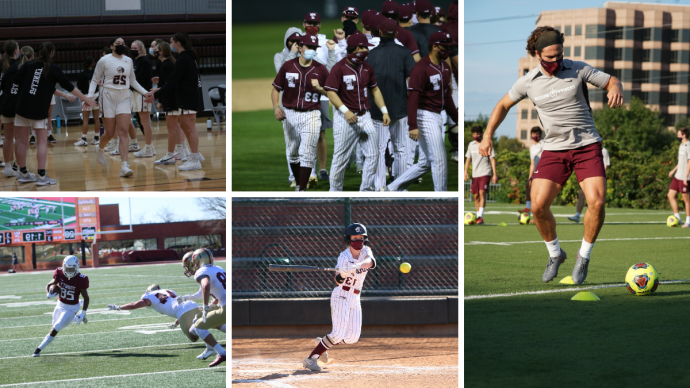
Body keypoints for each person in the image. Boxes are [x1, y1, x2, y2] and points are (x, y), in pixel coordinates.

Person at [478, 26, 623, 284]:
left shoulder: (578, 68)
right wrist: (488, 135)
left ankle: (584, 256)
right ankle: (555, 254)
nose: (556, 62)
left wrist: (615, 87)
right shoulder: (528, 82)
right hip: (554, 150)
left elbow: (611, 79)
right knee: (538, 206)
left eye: (559, 55)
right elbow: (502, 105)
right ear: (537, 54)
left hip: (587, 146)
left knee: (597, 202)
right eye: (550, 58)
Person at [384, 31, 458, 192]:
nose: (448, 50)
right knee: (439, 159)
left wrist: (456, 117)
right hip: (424, 115)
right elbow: (412, 98)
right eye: (444, 47)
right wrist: (413, 125)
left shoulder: (445, 67)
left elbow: (447, 96)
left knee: (425, 162)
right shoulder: (421, 68)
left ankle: (391, 188)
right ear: (435, 46)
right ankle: (442, 196)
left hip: (438, 115)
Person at [13, 42, 96, 185]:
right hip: (39, 108)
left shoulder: (28, 64)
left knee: (21, 141)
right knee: (42, 142)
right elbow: (69, 87)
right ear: (52, 53)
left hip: (22, 106)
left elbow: (16, 81)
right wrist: (86, 98)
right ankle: (41, 176)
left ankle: (22, 173)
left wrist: (31, 88)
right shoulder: (53, 67)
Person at [302, 223, 376, 372]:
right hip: (341, 295)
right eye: (354, 238)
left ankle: (323, 343)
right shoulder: (344, 256)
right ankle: (311, 359)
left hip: (355, 297)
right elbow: (337, 280)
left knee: (353, 337)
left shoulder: (366, 251)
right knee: (337, 334)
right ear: (348, 239)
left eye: (361, 238)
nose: (358, 240)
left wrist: (357, 265)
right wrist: (343, 273)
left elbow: (371, 262)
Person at [324, 33, 390, 191]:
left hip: (364, 116)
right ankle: (335, 194)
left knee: (373, 155)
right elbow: (331, 93)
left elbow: (375, 89)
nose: (367, 50)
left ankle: (365, 190)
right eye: (364, 47)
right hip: (345, 119)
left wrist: (384, 111)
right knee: (340, 160)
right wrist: (345, 111)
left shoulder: (367, 67)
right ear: (357, 48)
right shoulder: (339, 68)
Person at [107, 284, 225, 367]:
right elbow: (175, 305)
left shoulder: (149, 296)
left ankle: (211, 348)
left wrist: (118, 307)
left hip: (182, 311)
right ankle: (218, 341)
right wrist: (176, 323)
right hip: (191, 305)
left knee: (193, 336)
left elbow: (134, 305)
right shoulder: (169, 291)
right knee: (209, 322)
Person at [271, 34, 329, 191]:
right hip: (289, 113)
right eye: (309, 47)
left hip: (311, 114)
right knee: (293, 152)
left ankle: (302, 189)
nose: (312, 51)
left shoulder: (321, 69)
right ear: (301, 47)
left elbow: (332, 93)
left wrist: (320, 89)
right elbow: (276, 88)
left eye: (315, 48)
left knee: (307, 151)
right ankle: (298, 184)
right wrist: (276, 107)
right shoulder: (288, 66)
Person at [366, 18, 415, 191]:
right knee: (401, 149)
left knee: (378, 150)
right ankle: (399, 188)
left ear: (379, 33)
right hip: (400, 108)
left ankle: (380, 186)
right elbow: (412, 81)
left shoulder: (371, 54)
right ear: (395, 33)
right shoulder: (404, 52)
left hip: (377, 110)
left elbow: (366, 84)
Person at [89, 37, 149, 177]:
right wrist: (90, 97)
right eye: (118, 43)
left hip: (124, 96)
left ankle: (124, 166)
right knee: (110, 133)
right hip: (108, 96)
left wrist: (145, 93)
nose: (121, 45)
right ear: (112, 46)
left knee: (123, 131)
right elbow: (94, 80)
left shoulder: (128, 60)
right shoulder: (104, 60)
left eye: (123, 43)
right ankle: (100, 148)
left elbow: (132, 80)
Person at [146, 32, 205, 171]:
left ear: (178, 43)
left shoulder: (183, 58)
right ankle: (194, 156)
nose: (170, 45)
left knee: (189, 128)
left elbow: (173, 81)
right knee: (185, 127)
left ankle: (195, 158)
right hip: (188, 96)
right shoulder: (188, 57)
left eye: (172, 42)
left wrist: (157, 94)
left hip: (188, 97)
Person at [34, 256, 89, 356]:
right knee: (55, 324)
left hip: (72, 308)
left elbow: (86, 298)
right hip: (60, 304)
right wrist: (48, 294)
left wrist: (83, 312)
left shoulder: (81, 279)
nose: (68, 271)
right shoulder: (59, 273)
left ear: (76, 268)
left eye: (71, 269)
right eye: (66, 268)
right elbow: (49, 285)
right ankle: (76, 318)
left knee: (55, 329)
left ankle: (38, 349)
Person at [181, 248, 227, 367]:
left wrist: (206, 307)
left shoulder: (202, 271)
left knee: (198, 326)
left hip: (227, 307)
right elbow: (218, 292)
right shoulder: (218, 268)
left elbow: (205, 285)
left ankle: (222, 353)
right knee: (203, 320)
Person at [152, 42, 190, 165]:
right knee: (176, 127)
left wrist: (158, 92)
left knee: (171, 129)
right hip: (173, 99)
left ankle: (170, 154)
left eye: (156, 49)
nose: (153, 50)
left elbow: (170, 85)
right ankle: (181, 151)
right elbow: (169, 82)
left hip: (172, 100)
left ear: (161, 51)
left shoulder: (166, 65)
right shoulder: (168, 63)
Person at [568, 145, 611, 223]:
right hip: (588, 176)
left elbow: (605, 165)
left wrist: (599, 176)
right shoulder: (587, 149)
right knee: (582, 194)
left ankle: (596, 217)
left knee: (597, 200)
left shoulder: (604, 151)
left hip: (598, 177)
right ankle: (577, 215)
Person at [464, 126, 496, 224]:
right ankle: (478, 216)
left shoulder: (487, 143)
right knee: (475, 196)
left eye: (477, 134)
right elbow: (468, 159)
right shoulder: (471, 145)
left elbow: (492, 159)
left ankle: (479, 217)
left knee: (482, 193)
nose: (475, 136)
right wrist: (465, 171)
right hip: (475, 174)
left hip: (485, 172)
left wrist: (495, 174)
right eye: (474, 134)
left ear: (481, 134)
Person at [130, 40, 155, 158]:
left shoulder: (145, 61)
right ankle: (150, 147)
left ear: (140, 49)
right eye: (131, 47)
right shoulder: (134, 61)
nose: (132, 49)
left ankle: (149, 148)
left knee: (145, 121)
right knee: (141, 121)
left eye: (135, 48)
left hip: (143, 93)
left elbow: (139, 78)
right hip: (135, 93)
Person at [665, 127, 690, 227]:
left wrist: (686, 176)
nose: (677, 136)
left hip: (685, 177)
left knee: (685, 198)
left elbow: (689, 162)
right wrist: (673, 170)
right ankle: (677, 218)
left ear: (684, 135)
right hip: (677, 176)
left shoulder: (688, 146)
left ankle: (688, 221)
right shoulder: (681, 145)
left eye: (679, 134)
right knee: (670, 195)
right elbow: (681, 161)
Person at [0, 40, 18, 175]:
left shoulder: (2, 64)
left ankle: (8, 166)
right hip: (16, 103)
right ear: (16, 51)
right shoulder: (19, 66)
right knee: (19, 138)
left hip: (4, 102)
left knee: (7, 137)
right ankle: (19, 167)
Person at [74, 56, 102, 146]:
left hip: (86, 96)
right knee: (97, 119)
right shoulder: (96, 73)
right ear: (92, 64)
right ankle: (97, 138)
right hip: (96, 96)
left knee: (85, 120)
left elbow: (79, 86)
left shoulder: (81, 74)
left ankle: (84, 139)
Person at [518, 126, 544, 215]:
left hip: (543, 171)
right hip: (535, 172)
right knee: (528, 185)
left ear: (540, 135)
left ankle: (540, 212)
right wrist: (530, 176)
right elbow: (532, 163)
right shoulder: (532, 147)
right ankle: (528, 208)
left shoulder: (543, 144)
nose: (535, 136)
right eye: (533, 134)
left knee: (539, 192)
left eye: (537, 134)